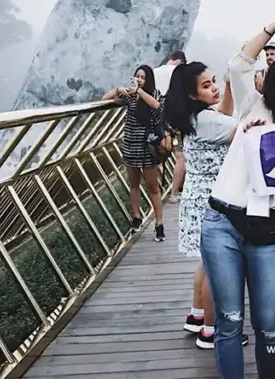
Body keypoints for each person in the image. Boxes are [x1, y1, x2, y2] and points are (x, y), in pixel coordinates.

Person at [199, 20, 275, 379]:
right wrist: (272, 27)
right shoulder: (254, 106)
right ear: (274, 88)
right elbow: (239, 65)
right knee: (229, 323)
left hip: (269, 231)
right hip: (223, 223)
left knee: (270, 326)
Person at [163, 61, 249, 350]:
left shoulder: (196, 117)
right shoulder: (207, 121)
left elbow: (223, 115)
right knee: (219, 270)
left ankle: (197, 314)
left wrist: (227, 87)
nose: (213, 88)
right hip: (213, 201)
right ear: (192, 94)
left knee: (206, 261)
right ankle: (212, 330)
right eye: (207, 85)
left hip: (196, 197)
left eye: (214, 81)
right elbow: (243, 129)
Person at [103, 64, 168, 242]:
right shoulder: (130, 97)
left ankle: (159, 223)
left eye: (143, 77)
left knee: (153, 187)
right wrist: (119, 90)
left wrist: (139, 92)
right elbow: (105, 98)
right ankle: (136, 217)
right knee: (133, 184)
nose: (139, 79)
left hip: (148, 147)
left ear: (149, 80)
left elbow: (156, 106)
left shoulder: (154, 94)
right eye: (137, 76)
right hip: (131, 144)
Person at [154, 50, 188, 204]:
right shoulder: (179, 73)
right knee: (180, 156)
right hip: (176, 119)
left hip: (156, 120)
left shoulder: (154, 72)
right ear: (180, 61)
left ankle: (156, 193)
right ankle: (174, 192)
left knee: (158, 155)